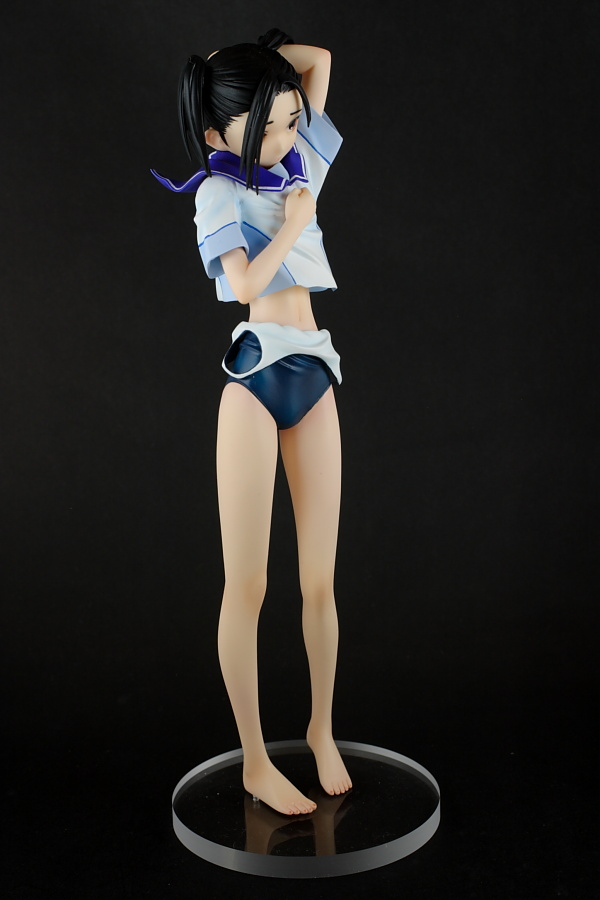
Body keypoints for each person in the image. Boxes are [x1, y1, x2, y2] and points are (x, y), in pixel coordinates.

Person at [152, 28, 351, 816]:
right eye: (265, 126)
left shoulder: (300, 167)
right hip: (255, 379)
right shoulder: (219, 193)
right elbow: (241, 288)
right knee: (249, 584)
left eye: (290, 121)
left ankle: (322, 728)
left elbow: (318, 64)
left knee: (319, 582)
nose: (284, 136)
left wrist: (251, 69)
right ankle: (257, 760)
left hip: (316, 372)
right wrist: (295, 227)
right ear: (215, 135)